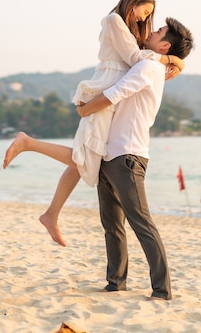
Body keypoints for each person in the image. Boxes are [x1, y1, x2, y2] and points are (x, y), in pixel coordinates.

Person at [3, 0, 185, 246]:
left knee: (86, 155)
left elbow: (136, 59)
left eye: (149, 17)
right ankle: (28, 144)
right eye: (145, 12)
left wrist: (173, 60)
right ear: (133, 2)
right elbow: (134, 58)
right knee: (86, 156)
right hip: (106, 88)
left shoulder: (129, 30)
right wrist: (173, 60)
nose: (146, 19)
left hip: (112, 92)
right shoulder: (113, 21)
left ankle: (51, 214)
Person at [75, 17, 194, 300]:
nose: (152, 31)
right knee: (112, 223)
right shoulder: (149, 62)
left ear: (164, 45)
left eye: (159, 31)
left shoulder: (149, 67)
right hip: (111, 152)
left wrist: (84, 110)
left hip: (128, 155)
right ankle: (115, 282)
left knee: (141, 222)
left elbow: (115, 94)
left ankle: (162, 290)